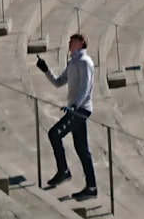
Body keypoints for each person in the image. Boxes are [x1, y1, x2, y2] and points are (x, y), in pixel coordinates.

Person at [37, 33, 98, 200]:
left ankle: (64, 171)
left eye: (72, 41)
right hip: (76, 109)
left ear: (81, 43)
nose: (69, 42)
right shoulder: (73, 62)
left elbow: (86, 88)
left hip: (80, 110)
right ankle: (91, 187)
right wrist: (46, 70)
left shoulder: (85, 62)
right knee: (82, 149)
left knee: (54, 133)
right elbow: (58, 82)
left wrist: (74, 106)